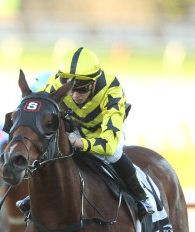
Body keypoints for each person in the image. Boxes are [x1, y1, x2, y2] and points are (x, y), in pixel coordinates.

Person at [19, 47, 154, 219]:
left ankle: (141, 197)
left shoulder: (112, 89)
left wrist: (77, 142)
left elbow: (108, 145)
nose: (75, 95)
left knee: (114, 154)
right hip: (75, 129)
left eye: (82, 90)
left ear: (94, 83)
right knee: (54, 149)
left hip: (105, 133)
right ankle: (35, 197)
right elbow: (38, 104)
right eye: (71, 90)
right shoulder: (57, 82)